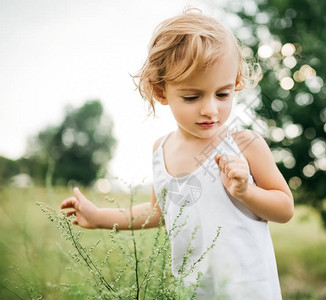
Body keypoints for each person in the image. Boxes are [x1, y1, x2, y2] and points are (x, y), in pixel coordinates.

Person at [61, 8, 294, 299]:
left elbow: (285, 208)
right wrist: (99, 217)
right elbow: (157, 212)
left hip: (248, 289)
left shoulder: (245, 144)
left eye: (223, 94)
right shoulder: (161, 150)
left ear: (236, 84)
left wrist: (246, 191)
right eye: (192, 96)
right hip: (193, 291)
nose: (211, 109)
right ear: (161, 92)